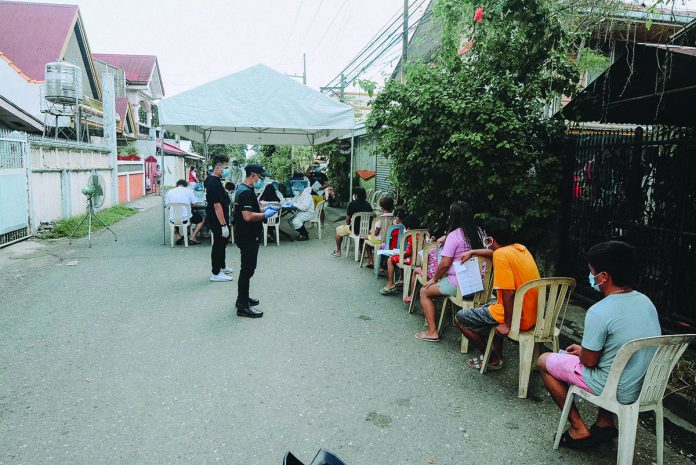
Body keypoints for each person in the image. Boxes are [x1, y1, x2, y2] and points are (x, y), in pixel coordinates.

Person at [538, 241, 660, 449]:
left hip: (614, 388)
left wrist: (582, 354)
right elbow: (617, 348)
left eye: (591, 272)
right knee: (608, 363)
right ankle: (605, 423)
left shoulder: (599, 312)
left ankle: (578, 428)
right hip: (642, 386)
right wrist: (584, 351)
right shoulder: (646, 303)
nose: (590, 277)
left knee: (544, 361)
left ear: (603, 277)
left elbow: (590, 361)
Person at [453, 217, 540, 370]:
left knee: (460, 318)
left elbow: (508, 293)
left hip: (519, 318)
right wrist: (473, 252)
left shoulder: (501, 255)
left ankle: (492, 358)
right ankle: (496, 353)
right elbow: (494, 253)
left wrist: (507, 324)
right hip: (532, 313)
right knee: (490, 304)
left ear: (490, 238)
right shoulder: (520, 248)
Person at [415, 201, 484, 342]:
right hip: (480, 283)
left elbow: (445, 264)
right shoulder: (479, 232)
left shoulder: (454, 236)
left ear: (453, 217)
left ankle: (432, 331)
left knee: (424, 291)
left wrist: (434, 279)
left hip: (460, 285)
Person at [233, 163, 279, 318]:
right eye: (260, 176)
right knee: (247, 270)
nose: (261, 179)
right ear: (253, 175)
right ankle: (243, 307)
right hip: (248, 236)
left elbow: (252, 209)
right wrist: (265, 215)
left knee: (248, 269)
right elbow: (247, 216)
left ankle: (242, 298)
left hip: (246, 234)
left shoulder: (244, 189)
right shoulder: (245, 192)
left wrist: (264, 209)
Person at [205, 155, 234, 282]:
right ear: (218, 168)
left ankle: (222, 266)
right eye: (225, 167)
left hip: (219, 218)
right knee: (218, 244)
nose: (226, 170)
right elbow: (217, 206)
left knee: (222, 243)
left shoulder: (215, 180)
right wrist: (223, 225)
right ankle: (215, 272)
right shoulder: (213, 182)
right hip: (217, 218)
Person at [381, 214, 420, 295]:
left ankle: (391, 283)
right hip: (420, 261)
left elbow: (409, 253)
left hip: (411, 260)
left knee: (390, 260)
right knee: (396, 256)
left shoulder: (411, 237)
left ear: (408, 228)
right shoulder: (422, 235)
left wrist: (399, 253)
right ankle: (400, 279)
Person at [331, 187, 373, 257]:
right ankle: (360, 250)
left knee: (338, 230)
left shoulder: (352, 204)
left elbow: (347, 219)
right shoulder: (368, 205)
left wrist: (348, 225)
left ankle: (338, 251)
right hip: (366, 230)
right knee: (358, 229)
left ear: (355, 195)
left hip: (354, 229)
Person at [165, 179, 205, 245]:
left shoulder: (170, 192)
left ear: (177, 185)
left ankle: (177, 236)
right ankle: (193, 237)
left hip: (174, 219)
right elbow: (195, 204)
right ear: (185, 185)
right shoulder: (189, 191)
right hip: (187, 218)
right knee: (201, 220)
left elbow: (168, 206)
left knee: (172, 219)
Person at [364, 196, 395, 268]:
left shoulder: (379, 219)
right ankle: (381, 262)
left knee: (366, 238)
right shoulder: (394, 218)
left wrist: (370, 233)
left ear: (381, 208)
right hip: (390, 241)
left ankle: (371, 261)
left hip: (379, 240)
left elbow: (376, 233)